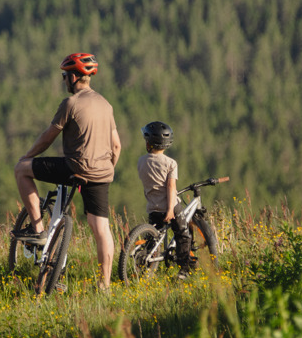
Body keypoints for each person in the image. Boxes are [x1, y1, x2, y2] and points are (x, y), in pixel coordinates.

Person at [14, 52, 122, 289]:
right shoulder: (106, 105)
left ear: (74, 77)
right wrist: (104, 171)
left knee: (21, 170)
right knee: (100, 227)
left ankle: (39, 229)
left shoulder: (70, 104)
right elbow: (116, 146)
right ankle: (104, 285)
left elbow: (47, 138)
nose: (64, 80)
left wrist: (28, 156)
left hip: (75, 167)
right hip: (103, 173)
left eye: (65, 76)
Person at [136, 121, 192, 279]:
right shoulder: (170, 164)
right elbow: (170, 187)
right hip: (170, 207)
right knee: (183, 234)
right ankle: (184, 271)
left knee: (153, 238)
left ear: (148, 143)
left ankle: (146, 267)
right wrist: (169, 210)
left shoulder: (141, 161)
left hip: (152, 207)